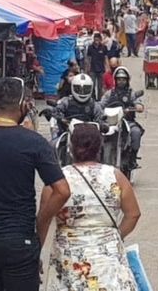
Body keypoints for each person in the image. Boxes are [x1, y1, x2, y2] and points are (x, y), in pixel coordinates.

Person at [0, 77, 71, 291]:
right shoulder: (33, 141)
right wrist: (40, 221)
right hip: (20, 240)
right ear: (22, 104)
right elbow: (62, 191)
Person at [45, 124, 140, 290]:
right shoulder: (115, 175)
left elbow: (44, 216)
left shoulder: (58, 179)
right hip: (107, 252)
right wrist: (114, 235)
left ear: (71, 148)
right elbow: (133, 214)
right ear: (99, 147)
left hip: (69, 253)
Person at [99, 67, 145, 164]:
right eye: (119, 79)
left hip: (127, 122)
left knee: (136, 132)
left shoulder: (131, 93)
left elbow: (137, 102)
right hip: (111, 122)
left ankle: (132, 157)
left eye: (123, 79)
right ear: (115, 80)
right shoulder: (109, 94)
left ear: (127, 80)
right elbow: (100, 104)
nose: (121, 82)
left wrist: (138, 106)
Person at [86, 32, 110, 102]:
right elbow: (88, 59)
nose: (96, 41)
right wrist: (87, 68)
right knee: (92, 85)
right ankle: (93, 99)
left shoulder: (104, 47)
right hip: (92, 69)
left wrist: (107, 67)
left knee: (101, 86)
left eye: (98, 39)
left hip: (101, 69)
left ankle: (100, 99)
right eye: (95, 39)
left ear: (100, 39)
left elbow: (106, 58)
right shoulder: (90, 48)